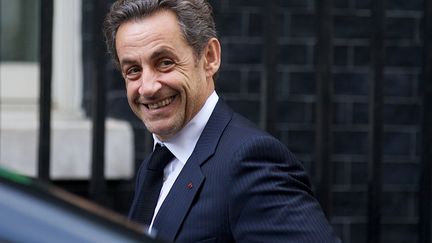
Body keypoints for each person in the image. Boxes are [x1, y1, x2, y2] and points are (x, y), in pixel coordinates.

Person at [103, 0, 340, 242]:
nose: (148, 87)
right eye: (133, 70)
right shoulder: (156, 164)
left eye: (165, 62)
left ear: (209, 57)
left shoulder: (250, 161)